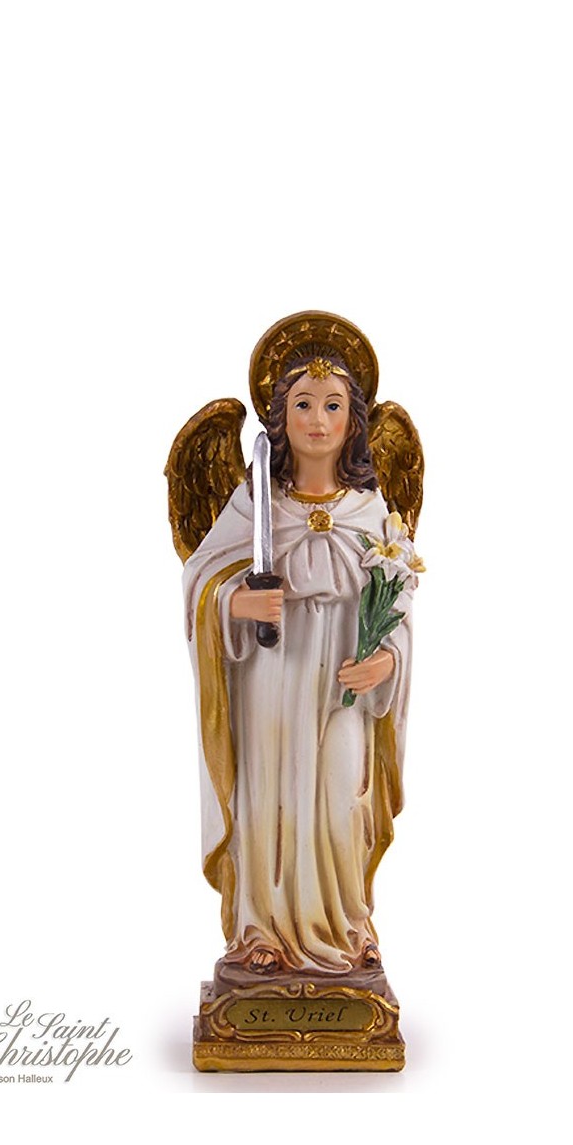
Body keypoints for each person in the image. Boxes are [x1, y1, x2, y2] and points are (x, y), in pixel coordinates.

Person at [182, 343, 419, 977]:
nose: (318, 420)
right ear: (280, 418)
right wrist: (235, 604)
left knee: (344, 799)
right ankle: (261, 931)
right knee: (271, 803)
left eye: (333, 406)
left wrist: (386, 664)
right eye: (303, 404)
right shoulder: (256, 504)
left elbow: (399, 607)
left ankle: (347, 926)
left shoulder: (371, 512)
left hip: (342, 688)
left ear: (353, 420)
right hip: (272, 682)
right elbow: (199, 578)